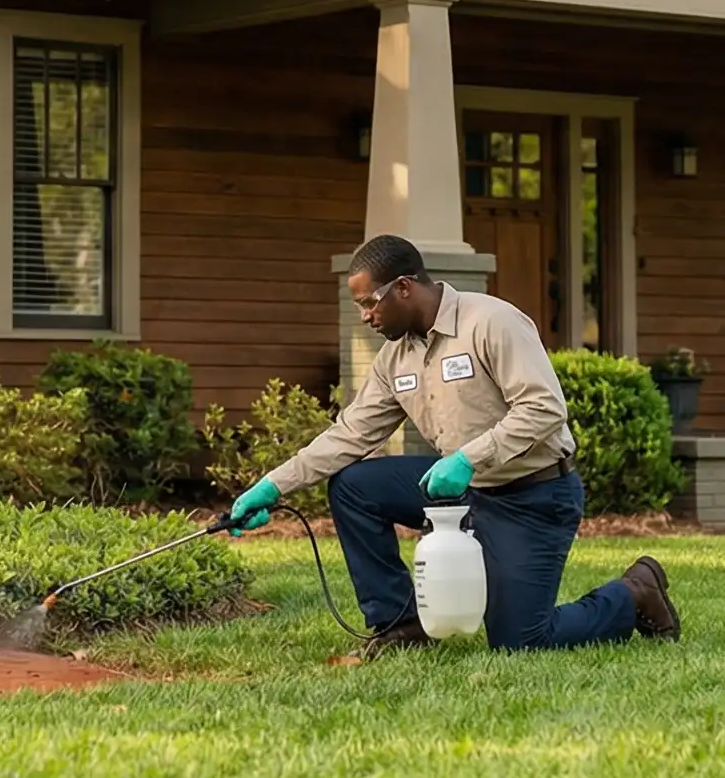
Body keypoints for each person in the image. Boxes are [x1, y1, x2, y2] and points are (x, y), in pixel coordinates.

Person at [228, 234, 682, 656]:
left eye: (370, 303)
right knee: (355, 485)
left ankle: (634, 592)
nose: (365, 316)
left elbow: (544, 410)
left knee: (520, 641)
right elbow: (350, 435)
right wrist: (272, 487)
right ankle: (401, 624)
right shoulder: (395, 357)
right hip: (463, 492)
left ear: (403, 287)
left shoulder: (491, 322)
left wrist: (469, 457)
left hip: (532, 495)